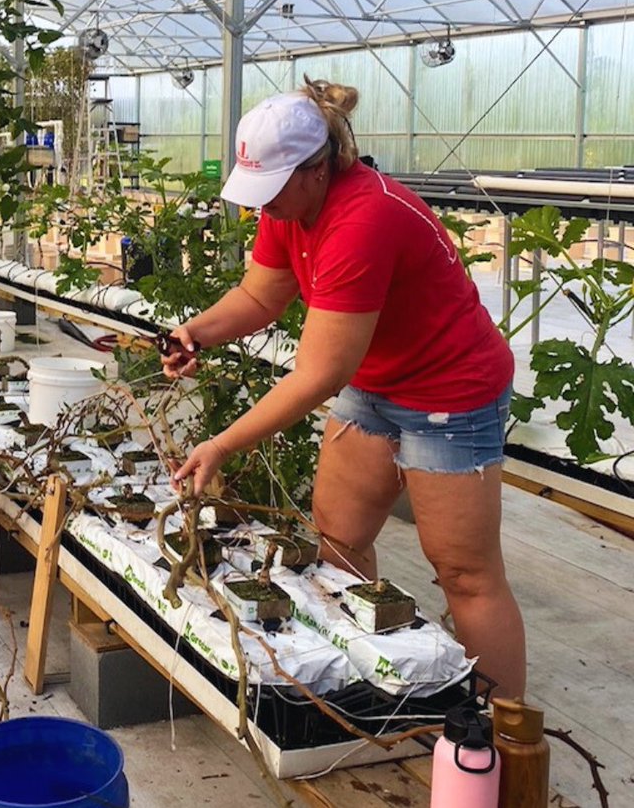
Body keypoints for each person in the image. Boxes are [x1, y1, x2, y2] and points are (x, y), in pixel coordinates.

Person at [160, 78, 525, 699]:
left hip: (449, 394)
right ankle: (375, 683)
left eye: (270, 191)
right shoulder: (290, 207)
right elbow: (259, 295)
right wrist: (195, 330)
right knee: (340, 537)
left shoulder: (363, 219)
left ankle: (496, 736)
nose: (261, 206)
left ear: (318, 168)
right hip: (376, 383)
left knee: (464, 573)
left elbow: (317, 375)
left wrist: (221, 445)